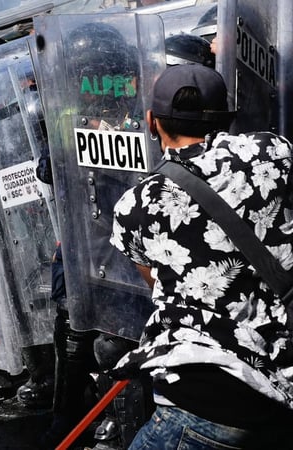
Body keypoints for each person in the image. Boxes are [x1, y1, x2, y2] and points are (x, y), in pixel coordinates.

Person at [109, 64, 293, 448]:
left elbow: (158, 283)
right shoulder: (276, 151)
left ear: (151, 121)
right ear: (227, 116)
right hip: (282, 388)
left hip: (204, 401)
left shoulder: (136, 204)